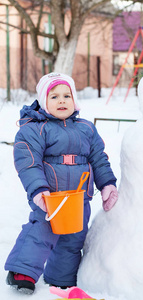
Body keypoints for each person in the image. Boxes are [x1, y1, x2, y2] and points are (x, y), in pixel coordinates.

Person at [4, 72, 118, 294]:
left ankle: (62, 278)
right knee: (41, 232)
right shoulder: (35, 129)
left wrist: (107, 184)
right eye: (54, 97)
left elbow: (99, 159)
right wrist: (38, 190)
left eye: (67, 95)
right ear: (43, 101)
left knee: (73, 239)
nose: (62, 101)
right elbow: (28, 162)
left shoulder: (86, 128)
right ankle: (23, 272)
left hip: (79, 198)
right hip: (50, 197)